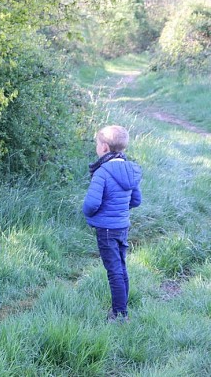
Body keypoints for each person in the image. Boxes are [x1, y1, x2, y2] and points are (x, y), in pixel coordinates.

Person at [83, 125, 142, 322]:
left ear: (105, 148)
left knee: (114, 271)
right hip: (122, 226)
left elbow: (92, 203)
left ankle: (119, 314)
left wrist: (86, 213)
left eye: (97, 144)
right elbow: (136, 200)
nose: (97, 148)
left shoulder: (103, 171)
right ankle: (122, 308)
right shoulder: (131, 170)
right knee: (121, 267)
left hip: (106, 229)